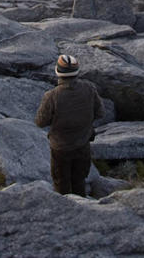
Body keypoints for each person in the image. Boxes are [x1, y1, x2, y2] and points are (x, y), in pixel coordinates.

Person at [35, 53, 104, 196]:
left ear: (58, 72)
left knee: (61, 187)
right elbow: (100, 113)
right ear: (77, 71)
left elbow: (40, 122)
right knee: (79, 184)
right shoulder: (89, 89)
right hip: (83, 145)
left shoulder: (51, 95)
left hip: (60, 149)